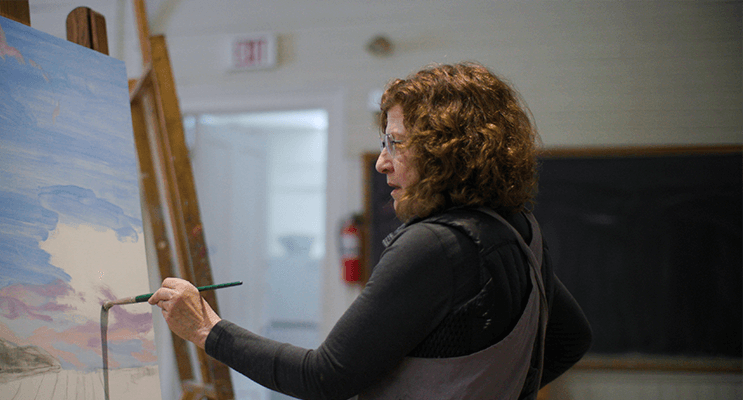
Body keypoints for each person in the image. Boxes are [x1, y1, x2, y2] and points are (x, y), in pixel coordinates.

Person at [148, 62, 592, 399]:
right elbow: (572, 339)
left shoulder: (435, 245)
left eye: (396, 143)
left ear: (446, 150)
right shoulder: (517, 229)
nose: (382, 161)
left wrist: (207, 329)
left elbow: (323, 376)